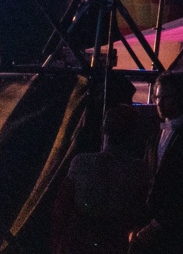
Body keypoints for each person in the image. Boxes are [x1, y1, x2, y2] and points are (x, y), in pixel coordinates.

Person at [129, 73, 183, 254]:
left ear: (182, 97)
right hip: (150, 223)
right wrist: (139, 222)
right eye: (157, 97)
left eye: (166, 97)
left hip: (176, 229)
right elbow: (147, 179)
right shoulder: (155, 135)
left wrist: (157, 224)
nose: (159, 102)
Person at [52, 105, 149, 254]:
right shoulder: (138, 170)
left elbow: (61, 210)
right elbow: (138, 214)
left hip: (79, 245)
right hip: (115, 245)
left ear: (103, 130)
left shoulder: (80, 163)